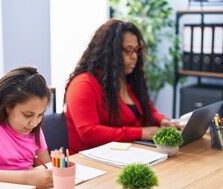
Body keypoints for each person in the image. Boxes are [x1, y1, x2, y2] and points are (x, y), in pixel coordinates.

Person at [64, 19, 181, 155]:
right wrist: (139, 133)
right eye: (128, 50)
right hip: (92, 162)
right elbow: (89, 133)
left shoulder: (130, 80)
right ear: (108, 52)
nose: (134, 57)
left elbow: (150, 110)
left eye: (136, 51)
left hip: (127, 154)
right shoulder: (83, 84)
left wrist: (163, 121)